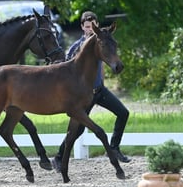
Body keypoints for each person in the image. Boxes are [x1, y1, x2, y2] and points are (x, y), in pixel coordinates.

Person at [52, 11, 131, 172]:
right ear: (82, 27)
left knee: (123, 113)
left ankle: (114, 148)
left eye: (93, 26)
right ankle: (59, 157)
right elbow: (66, 67)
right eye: (87, 27)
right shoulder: (77, 46)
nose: (90, 29)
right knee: (77, 129)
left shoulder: (100, 42)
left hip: (99, 90)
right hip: (83, 94)